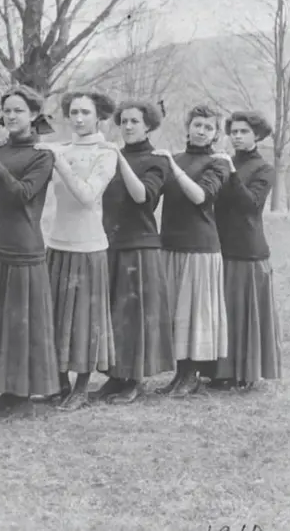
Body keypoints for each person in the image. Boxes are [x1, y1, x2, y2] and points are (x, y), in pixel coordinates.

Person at [0, 85, 59, 413]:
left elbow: (21, 194)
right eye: (7, 110)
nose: (11, 116)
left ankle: (22, 394)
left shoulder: (42, 155)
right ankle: (5, 390)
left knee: (21, 325)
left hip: (24, 250)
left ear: (34, 115)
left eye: (18, 111)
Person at [36, 91, 118, 411]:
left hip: (89, 247)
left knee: (84, 318)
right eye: (73, 112)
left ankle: (82, 388)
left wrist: (58, 160)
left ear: (99, 116)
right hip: (57, 242)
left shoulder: (106, 152)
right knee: (57, 315)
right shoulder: (60, 148)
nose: (79, 118)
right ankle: (60, 384)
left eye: (86, 112)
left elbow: (87, 196)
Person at [154, 104, 231, 398]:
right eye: (197, 125)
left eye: (208, 127)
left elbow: (200, 196)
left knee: (194, 313)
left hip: (200, 247)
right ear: (188, 126)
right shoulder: (173, 158)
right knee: (175, 312)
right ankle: (180, 374)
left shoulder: (218, 163)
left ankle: (192, 375)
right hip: (170, 244)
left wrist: (171, 168)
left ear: (215, 134)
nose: (201, 131)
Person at [100, 101, 174, 404]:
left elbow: (143, 196)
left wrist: (117, 158)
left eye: (134, 121)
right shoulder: (111, 156)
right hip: (110, 243)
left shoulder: (157, 160)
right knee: (113, 312)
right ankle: (116, 377)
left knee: (134, 315)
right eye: (124, 121)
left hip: (140, 245)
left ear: (148, 126)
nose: (128, 127)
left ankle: (134, 380)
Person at [209, 110, 281, 390]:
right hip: (220, 244)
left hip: (249, 250)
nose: (237, 136)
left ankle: (244, 372)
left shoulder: (264, 168)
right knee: (224, 312)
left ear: (258, 136)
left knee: (242, 313)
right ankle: (221, 371)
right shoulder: (222, 163)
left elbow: (250, 204)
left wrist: (232, 172)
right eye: (234, 132)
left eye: (244, 132)